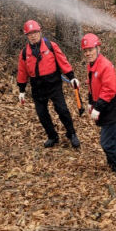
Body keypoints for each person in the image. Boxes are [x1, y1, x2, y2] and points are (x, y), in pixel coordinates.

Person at [17, 20, 80, 148]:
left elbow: (63, 61)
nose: (33, 35)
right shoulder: (24, 53)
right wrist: (21, 90)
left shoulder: (51, 46)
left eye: (35, 32)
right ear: (26, 36)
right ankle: (52, 136)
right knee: (42, 113)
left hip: (53, 84)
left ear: (40, 32)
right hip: (37, 87)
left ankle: (71, 133)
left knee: (62, 110)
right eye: (30, 34)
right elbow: (22, 72)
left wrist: (71, 77)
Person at [81, 33, 116, 177]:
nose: (88, 53)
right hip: (102, 106)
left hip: (110, 108)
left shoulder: (105, 65)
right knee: (111, 138)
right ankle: (113, 162)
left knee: (106, 143)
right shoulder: (91, 65)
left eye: (90, 50)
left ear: (98, 48)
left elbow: (109, 89)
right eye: (85, 51)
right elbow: (92, 85)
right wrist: (90, 102)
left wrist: (97, 107)